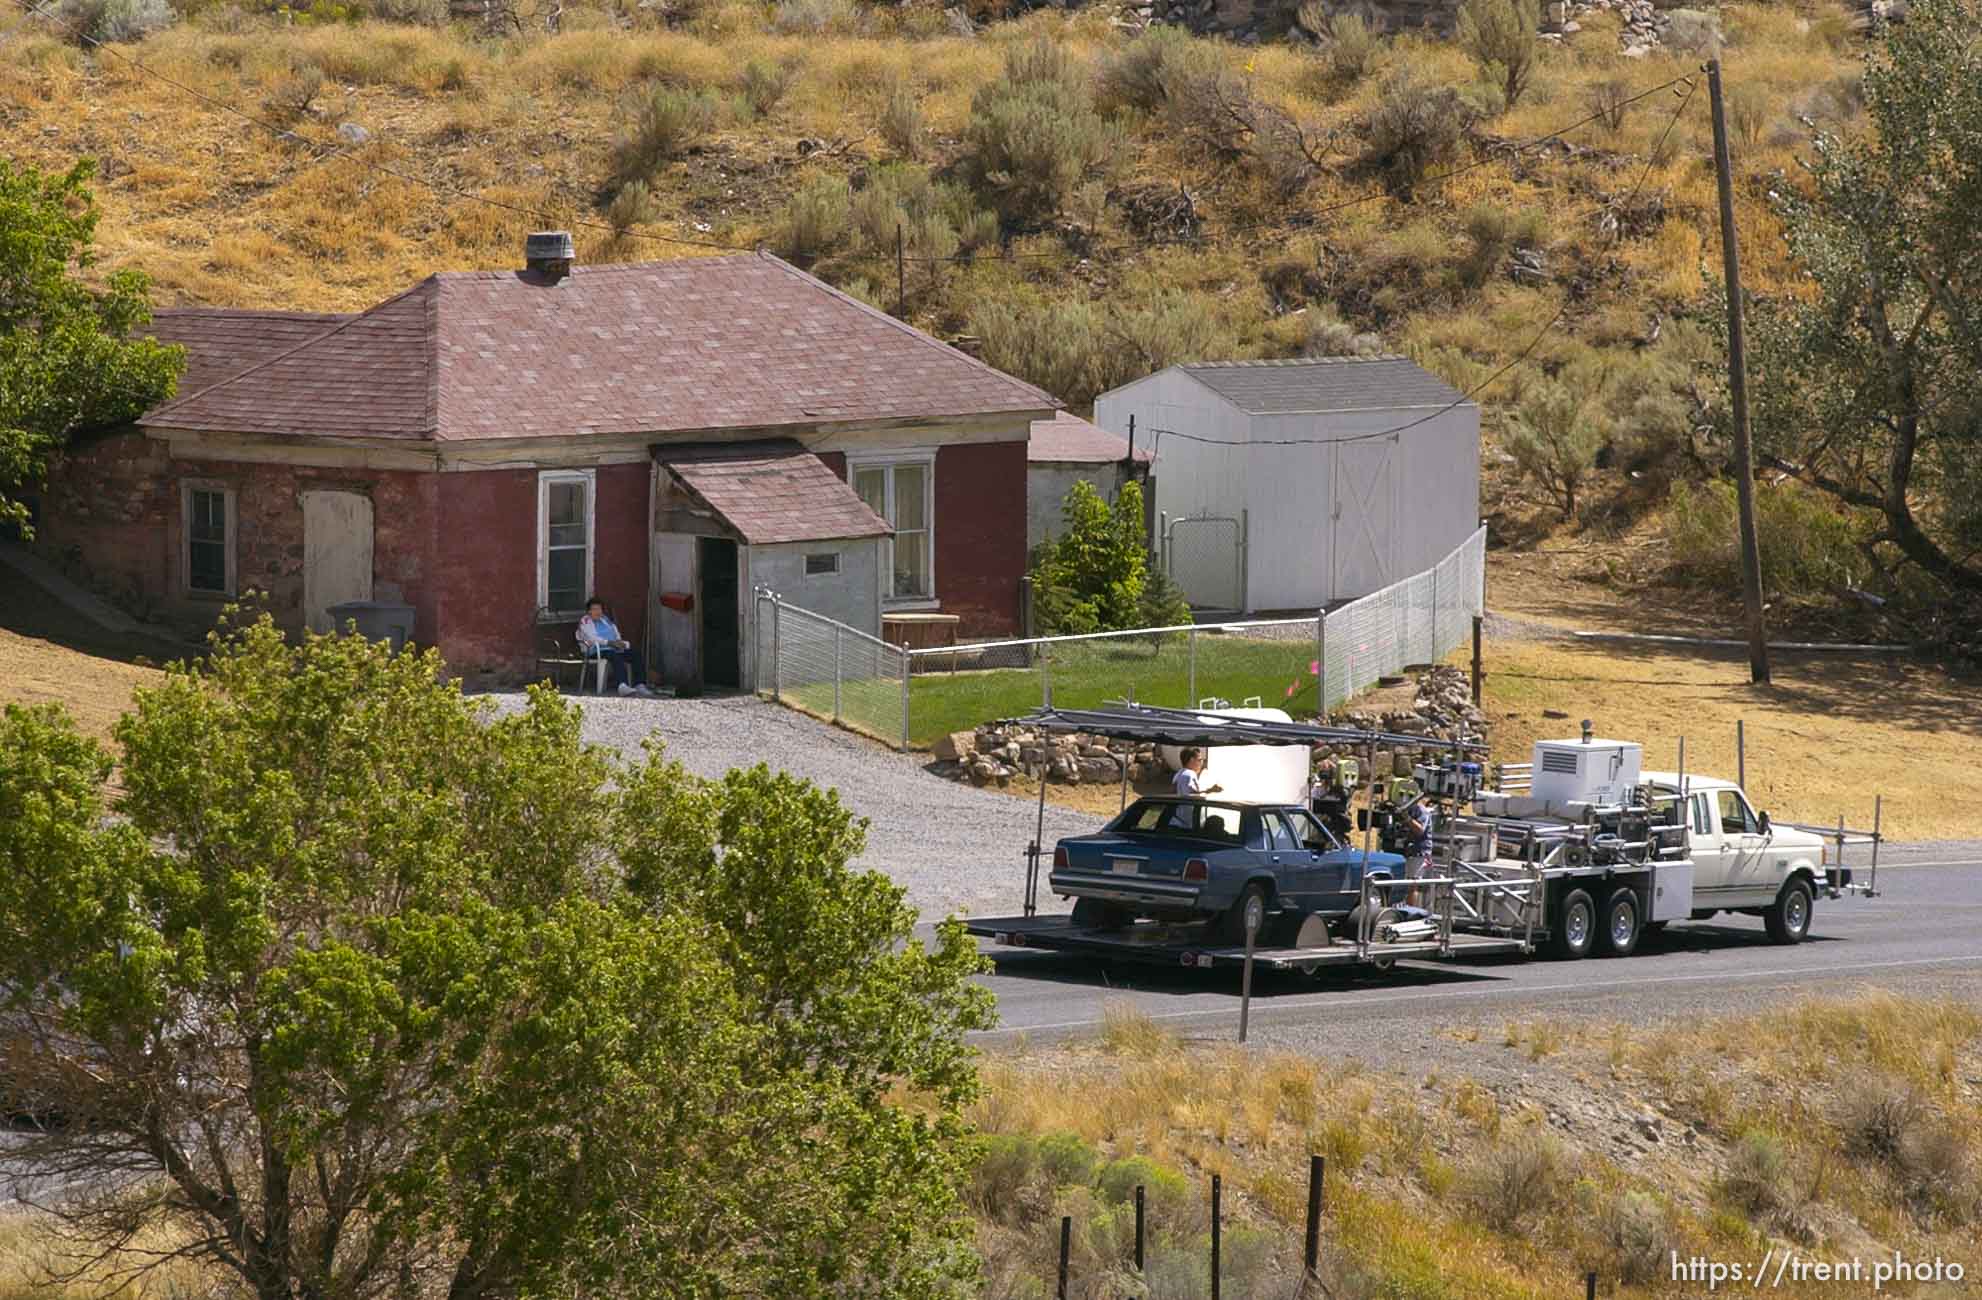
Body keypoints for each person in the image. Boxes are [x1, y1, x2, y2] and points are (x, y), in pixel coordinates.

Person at [576, 597, 654, 697]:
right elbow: (592, 637)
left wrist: (619, 642)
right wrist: (609, 643)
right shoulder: (585, 621)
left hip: (612, 648)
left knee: (635, 654)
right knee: (615, 655)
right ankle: (622, 685)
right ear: (589, 611)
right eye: (594, 609)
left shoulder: (605, 619)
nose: (597, 612)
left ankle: (640, 684)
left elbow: (615, 632)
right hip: (595, 650)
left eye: (599, 609)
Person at [1310, 757, 1351, 839]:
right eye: (1322, 772)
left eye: (1327, 772)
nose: (1324, 776)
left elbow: (1343, 805)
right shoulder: (1317, 788)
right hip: (1316, 821)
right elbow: (1312, 800)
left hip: (1333, 824)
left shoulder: (1341, 790)